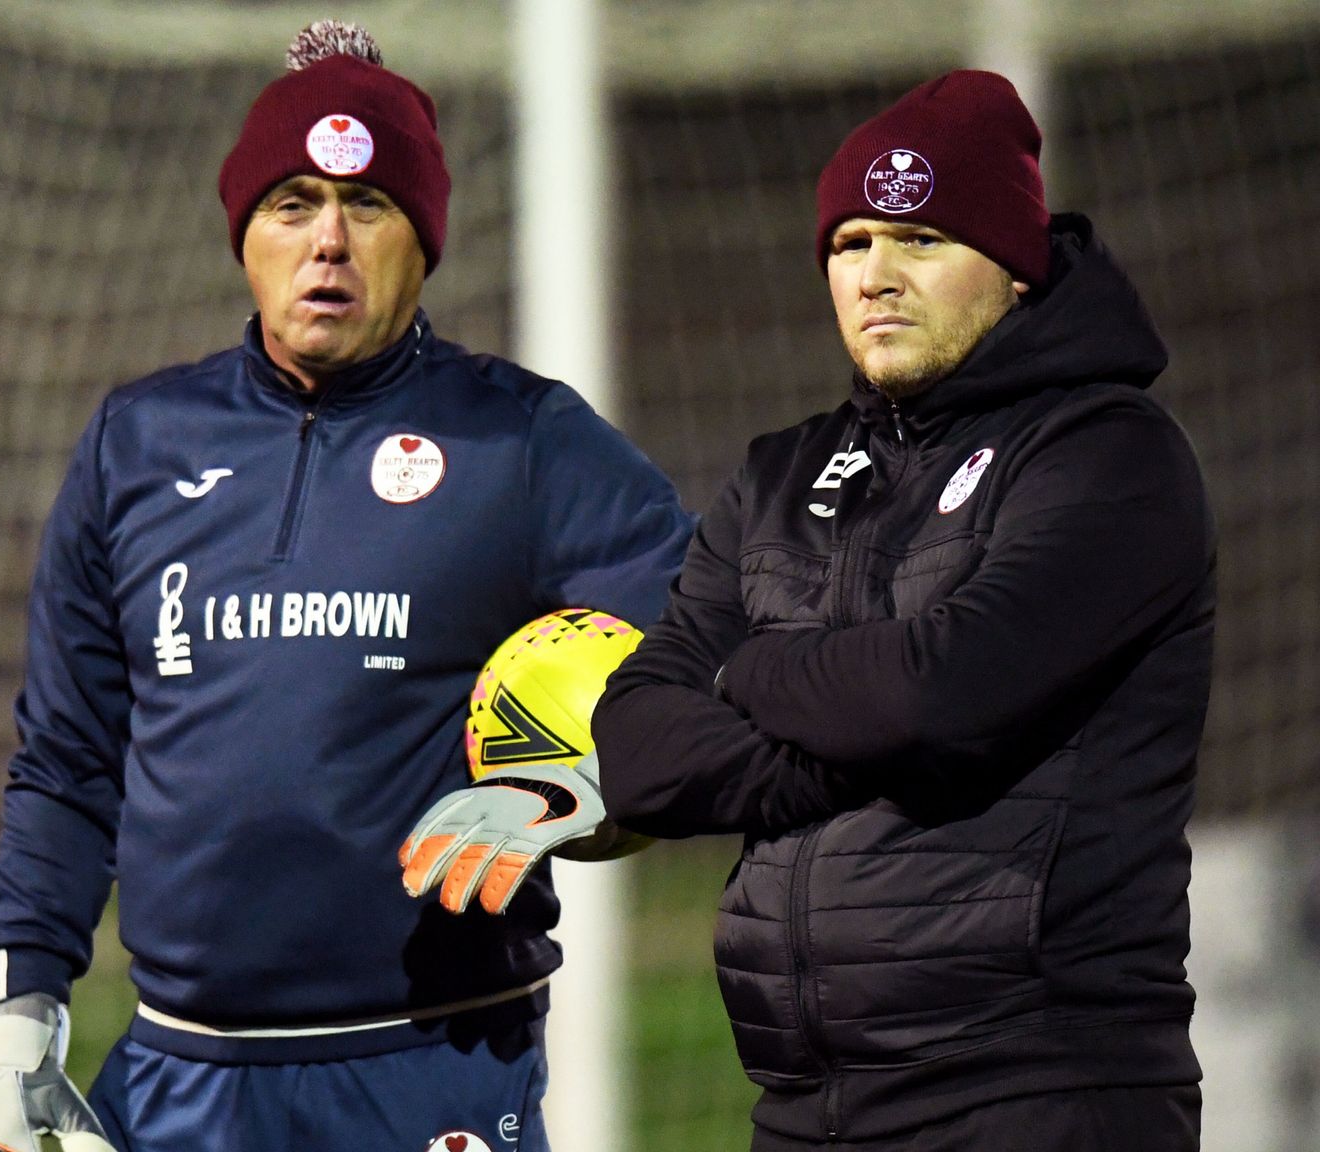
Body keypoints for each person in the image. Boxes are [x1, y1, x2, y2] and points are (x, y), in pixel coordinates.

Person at [404, 70, 1213, 1150]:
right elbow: (639, 744)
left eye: (919, 239)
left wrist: (750, 673)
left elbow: (942, 693)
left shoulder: (1109, 455)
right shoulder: (780, 474)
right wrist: (859, 716)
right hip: (801, 1107)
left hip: (1035, 1094)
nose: (874, 275)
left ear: (1013, 271)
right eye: (848, 243)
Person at [0, 20, 695, 1152]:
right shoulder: (137, 441)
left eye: (367, 206)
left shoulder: (524, 440)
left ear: (425, 243)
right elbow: (65, 760)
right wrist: (20, 1011)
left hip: (435, 1066)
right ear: (244, 235)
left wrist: (579, 790)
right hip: (180, 1076)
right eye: (291, 203)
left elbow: (706, 630)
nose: (327, 244)